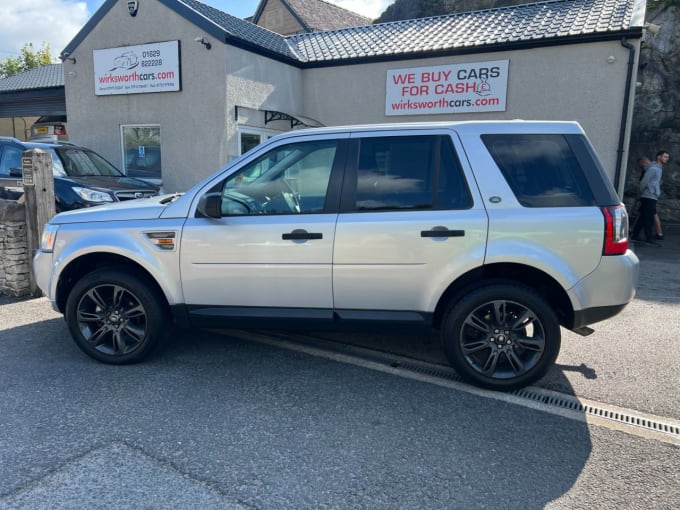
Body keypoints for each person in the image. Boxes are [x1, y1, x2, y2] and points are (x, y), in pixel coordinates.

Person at [632, 150, 669, 246]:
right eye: (664, 157)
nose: (666, 159)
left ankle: (635, 235)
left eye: (667, 157)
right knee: (648, 218)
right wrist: (642, 192)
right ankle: (648, 238)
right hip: (648, 196)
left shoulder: (659, 168)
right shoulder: (653, 169)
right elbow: (644, 181)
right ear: (658, 157)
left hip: (652, 195)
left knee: (644, 216)